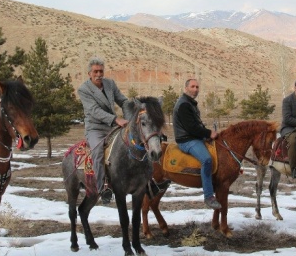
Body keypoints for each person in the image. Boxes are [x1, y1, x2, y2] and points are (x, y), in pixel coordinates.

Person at [77, 57, 169, 203]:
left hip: (113, 126)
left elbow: (124, 102)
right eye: (95, 71)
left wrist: (131, 119)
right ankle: (103, 187)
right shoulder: (84, 89)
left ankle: (149, 183)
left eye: (101, 71)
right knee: (98, 151)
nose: (99, 74)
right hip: (96, 128)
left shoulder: (110, 84)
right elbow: (94, 110)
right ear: (89, 73)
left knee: (138, 145)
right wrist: (116, 119)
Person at [172, 79, 222, 209]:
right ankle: (209, 196)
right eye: (192, 86)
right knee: (206, 160)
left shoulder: (190, 103)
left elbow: (196, 125)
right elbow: (191, 128)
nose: (195, 89)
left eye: (197, 87)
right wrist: (208, 133)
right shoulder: (183, 104)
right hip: (187, 140)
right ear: (186, 88)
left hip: (195, 138)